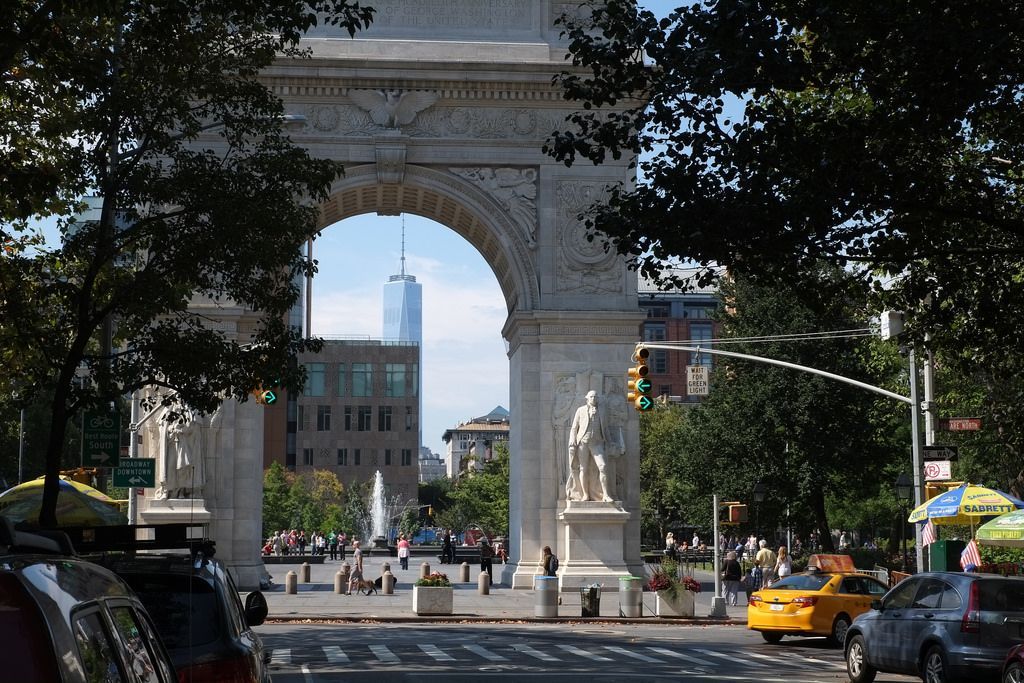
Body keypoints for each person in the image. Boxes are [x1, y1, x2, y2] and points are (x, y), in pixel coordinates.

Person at [567, 390, 623, 502]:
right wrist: (572, 440)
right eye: (592, 397)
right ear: (587, 398)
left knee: (603, 466)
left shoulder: (602, 411)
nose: (594, 399)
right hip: (583, 442)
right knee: (583, 468)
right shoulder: (580, 410)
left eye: (596, 397)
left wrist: (610, 441)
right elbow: (574, 427)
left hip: (597, 443)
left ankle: (606, 495)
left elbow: (605, 428)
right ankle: (585, 495)